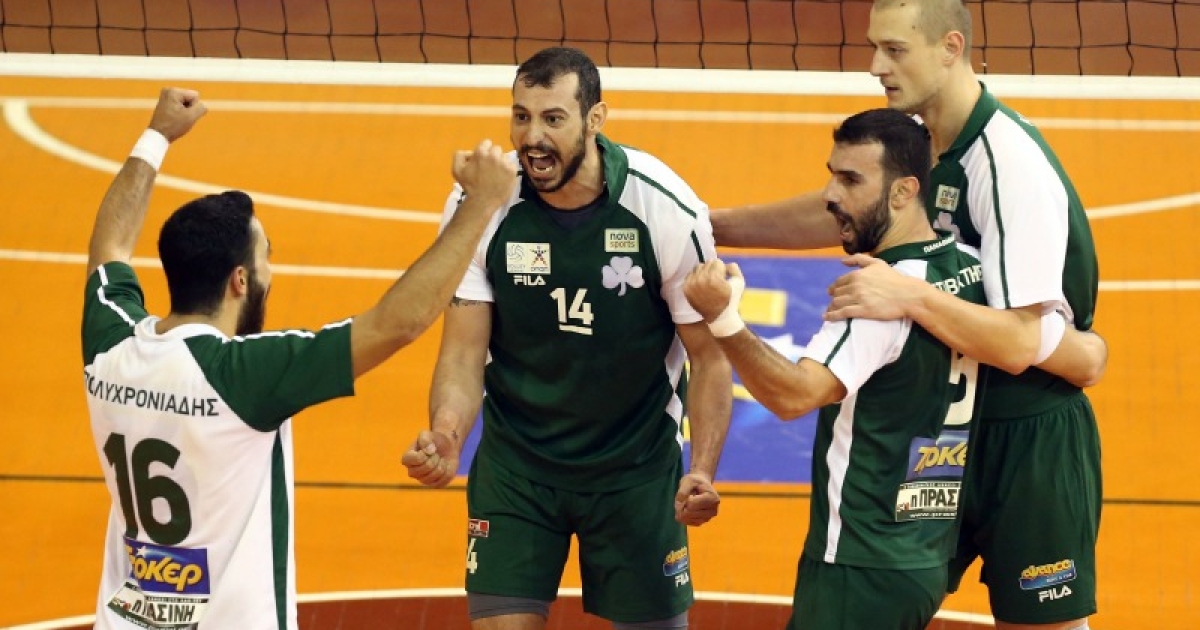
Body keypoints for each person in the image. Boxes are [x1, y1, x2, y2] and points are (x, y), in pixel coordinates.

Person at [710, 1, 1105, 629]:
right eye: (875, 47)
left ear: (950, 48)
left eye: (895, 50)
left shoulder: (1007, 165)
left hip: (1024, 435)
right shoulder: (921, 138)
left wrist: (912, 296)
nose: (876, 66)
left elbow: (1020, 342)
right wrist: (708, 226)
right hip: (943, 430)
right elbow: (851, 208)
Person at [83, 87, 517, 629]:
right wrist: (480, 205)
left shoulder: (111, 344)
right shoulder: (243, 377)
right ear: (240, 281)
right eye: (265, 258)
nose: (270, 271)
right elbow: (397, 323)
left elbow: (110, 246)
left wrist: (156, 137)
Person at [401, 47, 732, 630]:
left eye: (553, 118)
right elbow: (464, 350)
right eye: (521, 116)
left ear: (595, 119)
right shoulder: (482, 203)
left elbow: (708, 359)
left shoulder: (662, 208)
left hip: (634, 470)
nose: (532, 138)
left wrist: (701, 469)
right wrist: (448, 434)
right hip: (518, 468)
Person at [687, 107, 989, 630]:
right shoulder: (970, 267)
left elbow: (794, 395)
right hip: (924, 552)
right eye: (832, 174)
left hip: (860, 563)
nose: (830, 194)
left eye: (850, 180)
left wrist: (724, 318)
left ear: (904, 191)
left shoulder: (876, 296)